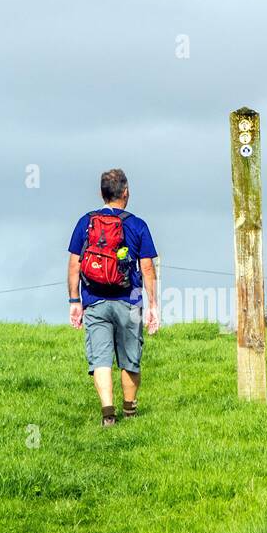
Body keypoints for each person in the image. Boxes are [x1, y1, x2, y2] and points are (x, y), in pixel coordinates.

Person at [67, 168, 160, 426]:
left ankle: (108, 415)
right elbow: (148, 268)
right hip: (129, 302)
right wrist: (153, 305)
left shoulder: (85, 222)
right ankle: (130, 412)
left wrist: (75, 301)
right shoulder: (138, 225)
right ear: (126, 192)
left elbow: (74, 264)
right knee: (130, 358)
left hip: (94, 300)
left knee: (101, 360)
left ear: (101, 193)